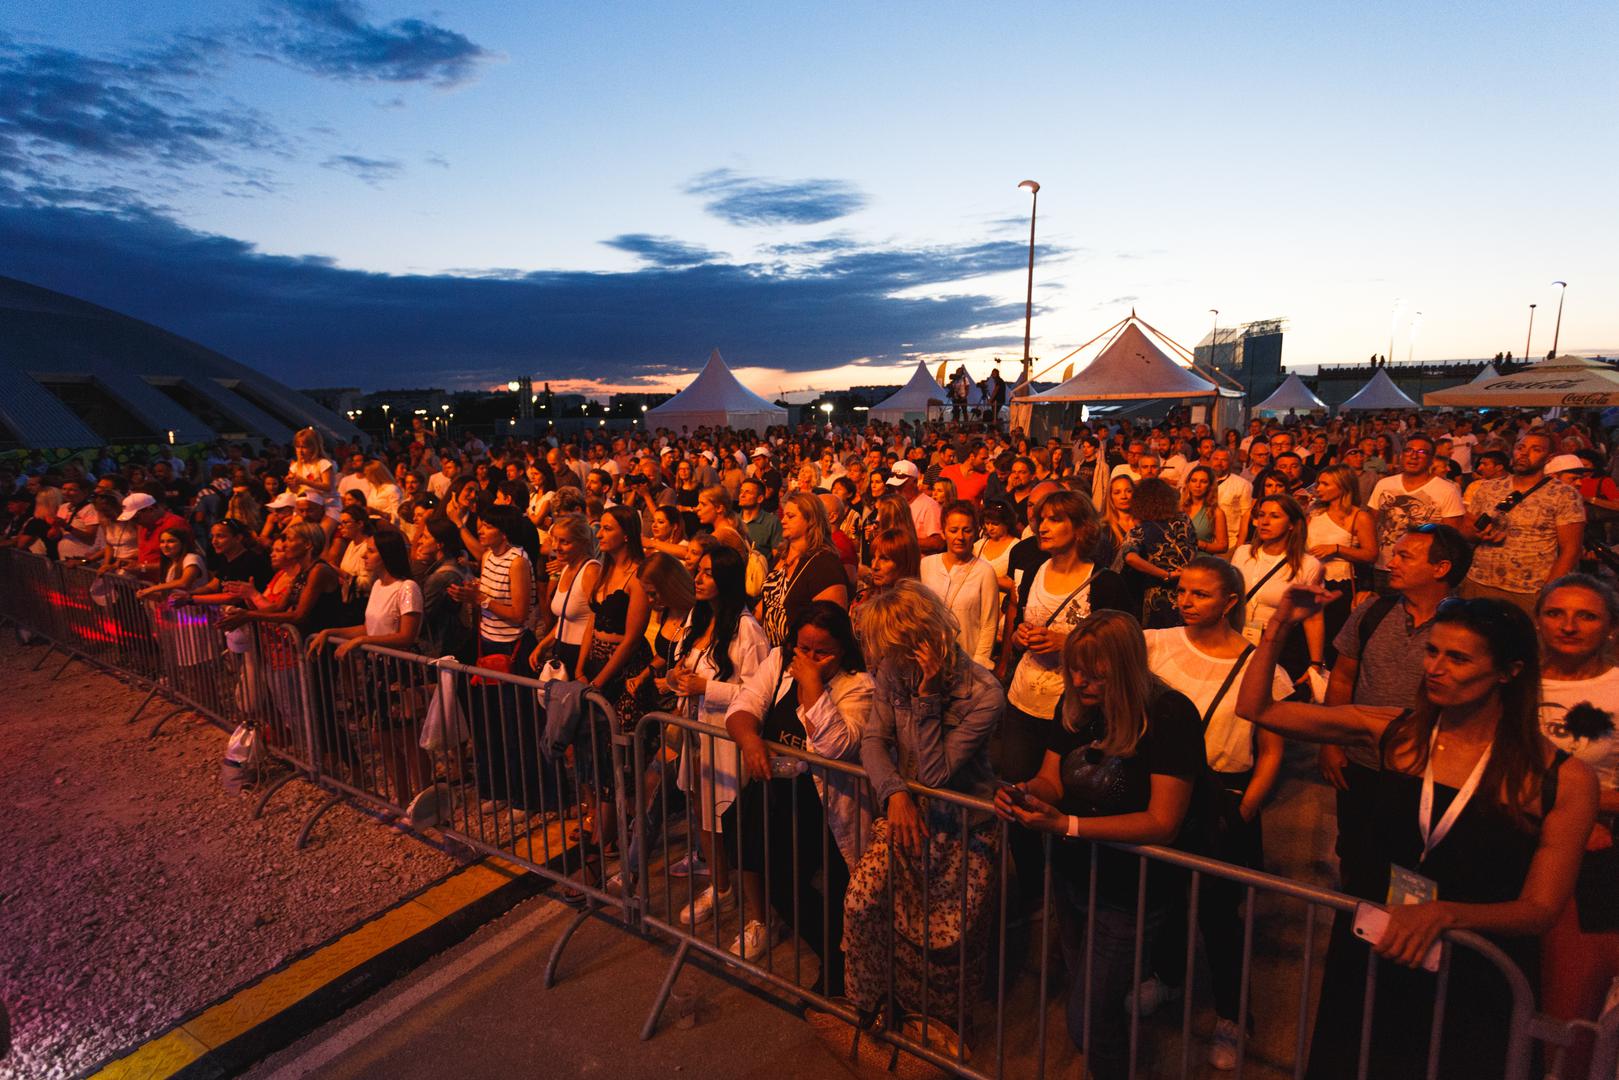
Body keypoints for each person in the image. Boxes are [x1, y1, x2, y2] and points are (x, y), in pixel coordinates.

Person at [1237, 586, 1596, 1080]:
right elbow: (1258, 709)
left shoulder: (1561, 779)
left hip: (1475, 970)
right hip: (1377, 944)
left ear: (1509, 672)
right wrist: (1279, 626)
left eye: (1458, 658)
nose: (1434, 668)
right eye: (1432, 651)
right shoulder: (1399, 734)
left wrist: (1444, 914)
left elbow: (1540, 908)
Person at [994, 611, 1206, 1080]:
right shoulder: (1076, 706)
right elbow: (1052, 779)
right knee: (1090, 997)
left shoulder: (1169, 715)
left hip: (1130, 890)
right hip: (1073, 877)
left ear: (1125, 668)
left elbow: (1163, 822)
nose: (1078, 682)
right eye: (1073, 669)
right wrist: (1024, 792)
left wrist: (1068, 825)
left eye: (1094, 673)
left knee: (1087, 1021)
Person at [1136, 557, 1292, 1069]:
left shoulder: (1260, 667)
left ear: (1230, 602)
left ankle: (1232, 1015)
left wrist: (1243, 812)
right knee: (1163, 896)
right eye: (1182, 591)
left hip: (1224, 798)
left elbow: (1270, 752)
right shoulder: (1154, 644)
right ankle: (1168, 977)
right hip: (1163, 792)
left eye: (1200, 594)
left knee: (1220, 916)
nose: (1185, 601)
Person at [846, 580, 1004, 1040]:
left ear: (924, 641)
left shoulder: (984, 693)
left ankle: (941, 1036)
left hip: (963, 830)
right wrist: (894, 792)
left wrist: (928, 697)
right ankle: (873, 1009)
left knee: (946, 946)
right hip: (907, 816)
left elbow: (936, 774)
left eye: (892, 652)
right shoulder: (892, 673)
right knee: (862, 904)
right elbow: (873, 741)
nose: (883, 664)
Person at [723, 602, 873, 979]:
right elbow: (743, 706)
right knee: (782, 883)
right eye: (803, 648)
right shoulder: (778, 662)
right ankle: (831, 956)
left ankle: (842, 972)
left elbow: (836, 746)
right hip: (781, 800)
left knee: (840, 892)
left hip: (828, 806)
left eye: (821, 652)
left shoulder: (859, 686)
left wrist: (812, 684)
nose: (808, 658)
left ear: (843, 650)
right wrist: (750, 741)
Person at [1533, 575, 1619, 1076]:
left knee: (1568, 1007)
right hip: (1507, 846)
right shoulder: (1512, 681)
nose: (1568, 625)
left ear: (1611, 628)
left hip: (1591, 860)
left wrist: (1577, 807)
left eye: (1586, 615)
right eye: (1555, 613)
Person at [999, 490, 1131, 796]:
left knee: (1066, 795)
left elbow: (1123, 649)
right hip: (1022, 703)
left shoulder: (1105, 583)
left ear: (1081, 528)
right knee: (1016, 790)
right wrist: (1019, 637)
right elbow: (1019, 627)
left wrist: (1067, 643)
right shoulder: (1034, 571)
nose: (1042, 527)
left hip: (1075, 711)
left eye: (1055, 520)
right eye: (1041, 519)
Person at [667, 547, 772, 923]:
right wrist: (676, 677)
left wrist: (706, 688)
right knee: (703, 815)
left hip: (727, 740)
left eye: (707, 573)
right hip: (697, 736)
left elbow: (758, 693)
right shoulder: (697, 618)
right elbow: (678, 670)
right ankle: (721, 887)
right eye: (698, 571)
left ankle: (759, 913)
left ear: (726, 579)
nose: (697, 578)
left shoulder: (747, 629)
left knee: (732, 821)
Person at [307, 530, 425, 804]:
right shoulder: (378, 586)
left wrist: (362, 641)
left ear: (386, 555)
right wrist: (332, 631)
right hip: (377, 669)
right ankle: (401, 801)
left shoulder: (407, 588)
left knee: (407, 739)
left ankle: (422, 802)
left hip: (398, 670)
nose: (364, 556)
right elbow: (370, 627)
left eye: (371, 551)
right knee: (382, 739)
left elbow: (407, 636)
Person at [1460, 430, 1585, 614]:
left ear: (1549, 458)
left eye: (1536, 449)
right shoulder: (1488, 488)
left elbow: (1571, 550)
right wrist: (1479, 533)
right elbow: (1465, 531)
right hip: (1479, 582)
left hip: (1528, 590)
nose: (1524, 453)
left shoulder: (1564, 495)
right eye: (1521, 447)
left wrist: (1548, 592)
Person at [1229, 494, 1325, 682]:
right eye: (1261, 515)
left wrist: (1315, 663)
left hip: (1279, 646)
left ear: (1291, 524)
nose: (1264, 522)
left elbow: (1313, 618)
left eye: (1274, 516)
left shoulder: (1308, 565)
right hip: (1237, 638)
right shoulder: (1242, 553)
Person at [1367, 434, 1463, 593]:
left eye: (1421, 452)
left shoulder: (1447, 491)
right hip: (1385, 566)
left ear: (1431, 459)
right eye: (1409, 450)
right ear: (1401, 455)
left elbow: (1451, 536)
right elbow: (1372, 522)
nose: (1413, 456)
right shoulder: (1384, 484)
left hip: (1421, 572)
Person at [756, 492, 848, 647]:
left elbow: (831, 623)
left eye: (790, 516)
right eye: (784, 515)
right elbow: (766, 603)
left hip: (798, 652)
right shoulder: (782, 556)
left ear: (811, 521)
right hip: (770, 651)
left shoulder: (825, 564)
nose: (783, 521)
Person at [1305, 464, 1378, 651]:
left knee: (1332, 638)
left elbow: (1371, 554)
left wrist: (1337, 549)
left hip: (1338, 585)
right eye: (1318, 483)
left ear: (1343, 486)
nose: (1319, 488)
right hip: (1311, 580)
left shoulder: (1359, 516)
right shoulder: (1314, 512)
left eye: (1325, 484)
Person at [919, 500, 1000, 666]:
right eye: (953, 530)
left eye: (967, 530)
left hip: (967, 663)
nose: (960, 537)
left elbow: (989, 625)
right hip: (930, 661)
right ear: (943, 532)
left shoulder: (985, 572)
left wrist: (978, 665)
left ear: (975, 533)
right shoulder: (926, 565)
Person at [1118, 477, 1198, 628]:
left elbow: (1130, 557)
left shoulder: (1139, 531)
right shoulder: (1184, 520)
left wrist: (1166, 574)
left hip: (1157, 598)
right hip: (1188, 591)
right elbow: (1194, 547)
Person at [530, 513, 598, 677]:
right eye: (554, 540)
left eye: (564, 542)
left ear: (582, 543)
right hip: (562, 650)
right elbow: (564, 621)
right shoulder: (567, 568)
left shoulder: (591, 571)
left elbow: (595, 621)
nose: (556, 547)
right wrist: (543, 645)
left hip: (582, 655)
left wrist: (580, 669)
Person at [1181, 464, 1229, 556]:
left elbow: (1223, 547)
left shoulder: (1216, 512)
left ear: (1210, 486)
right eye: (1194, 480)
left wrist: (1199, 544)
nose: (1197, 485)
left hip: (1201, 560)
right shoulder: (1179, 509)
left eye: (1203, 482)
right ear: (1188, 483)